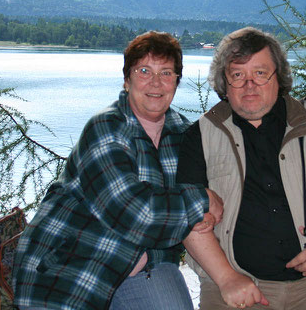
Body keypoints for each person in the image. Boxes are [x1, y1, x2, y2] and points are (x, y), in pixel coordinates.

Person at [13, 31, 223, 310]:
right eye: (144, 71)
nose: (155, 82)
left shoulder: (184, 135)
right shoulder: (105, 128)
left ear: (176, 81)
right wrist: (202, 201)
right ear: (127, 80)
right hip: (77, 263)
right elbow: (136, 213)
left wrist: (194, 216)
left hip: (147, 265)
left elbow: (190, 218)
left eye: (167, 73)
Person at [177, 27, 306, 310]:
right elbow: (186, 216)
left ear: (278, 77)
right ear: (225, 83)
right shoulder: (199, 137)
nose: (249, 85)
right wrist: (227, 279)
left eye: (260, 73)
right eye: (238, 75)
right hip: (241, 286)